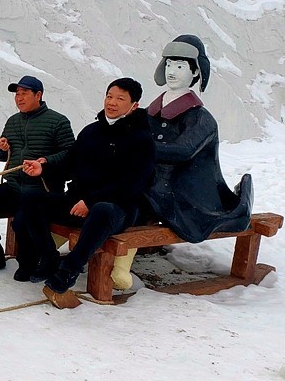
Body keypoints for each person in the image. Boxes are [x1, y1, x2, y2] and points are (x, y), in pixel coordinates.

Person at [20, 77, 155, 309]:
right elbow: (71, 162)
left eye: (120, 99)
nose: (112, 103)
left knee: (103, 209)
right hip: (78, 202)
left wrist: (91, 201)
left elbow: (131, 184)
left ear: (134, 106)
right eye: (109, 96)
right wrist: (45, 167)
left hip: (117, 209)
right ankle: (50, 259)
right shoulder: (92, 131)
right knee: (30, 198)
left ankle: (69, 270)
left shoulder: (141, 140)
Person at [143, 34, 253, 242]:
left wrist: (139, 146)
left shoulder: (201, 118)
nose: (172, 72)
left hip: (184, 201)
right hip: (150, 188)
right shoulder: (151, 111)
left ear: (195, 71)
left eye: (180, 67)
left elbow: (183, 150)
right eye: (169, 65)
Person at [0, 75, 75, 276]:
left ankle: (28, 264)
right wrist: (1, 148)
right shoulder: (12, 121)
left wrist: (45, 162)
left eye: (24, 93)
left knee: (22, 220)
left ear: (38, 95)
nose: (19, 98)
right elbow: (3, 157)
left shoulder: (58, 121)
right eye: (17, 94)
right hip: (14, 186)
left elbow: (71, 155)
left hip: (42, 190)